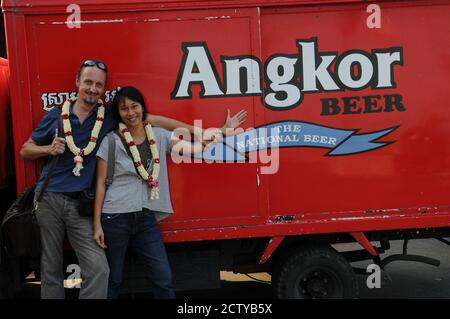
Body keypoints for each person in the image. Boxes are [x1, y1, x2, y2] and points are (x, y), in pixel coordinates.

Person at [20, 59, 246, 299]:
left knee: (99, 269)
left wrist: (200, 131)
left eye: (99, 84)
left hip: (81, 206)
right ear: (77, 82)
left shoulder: (107, 115)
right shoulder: (55, 116)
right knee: (51, 267)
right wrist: (47, 150)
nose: (93, 88)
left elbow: (155, 120)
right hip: (49, 199)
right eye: (88, 82)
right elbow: (26, 150)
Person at [93, 86, 223, 299]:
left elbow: (191, 149)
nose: (131, 112)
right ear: (118, 112)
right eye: (124, 108)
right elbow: (100, 183)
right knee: (113, 279)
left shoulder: (159, 136)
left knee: (162, 278)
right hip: (114, 217)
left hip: (146, 217)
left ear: (143, 108)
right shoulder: (111, 141)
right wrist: (97, 224)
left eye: (134, 106)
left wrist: (205, 142)